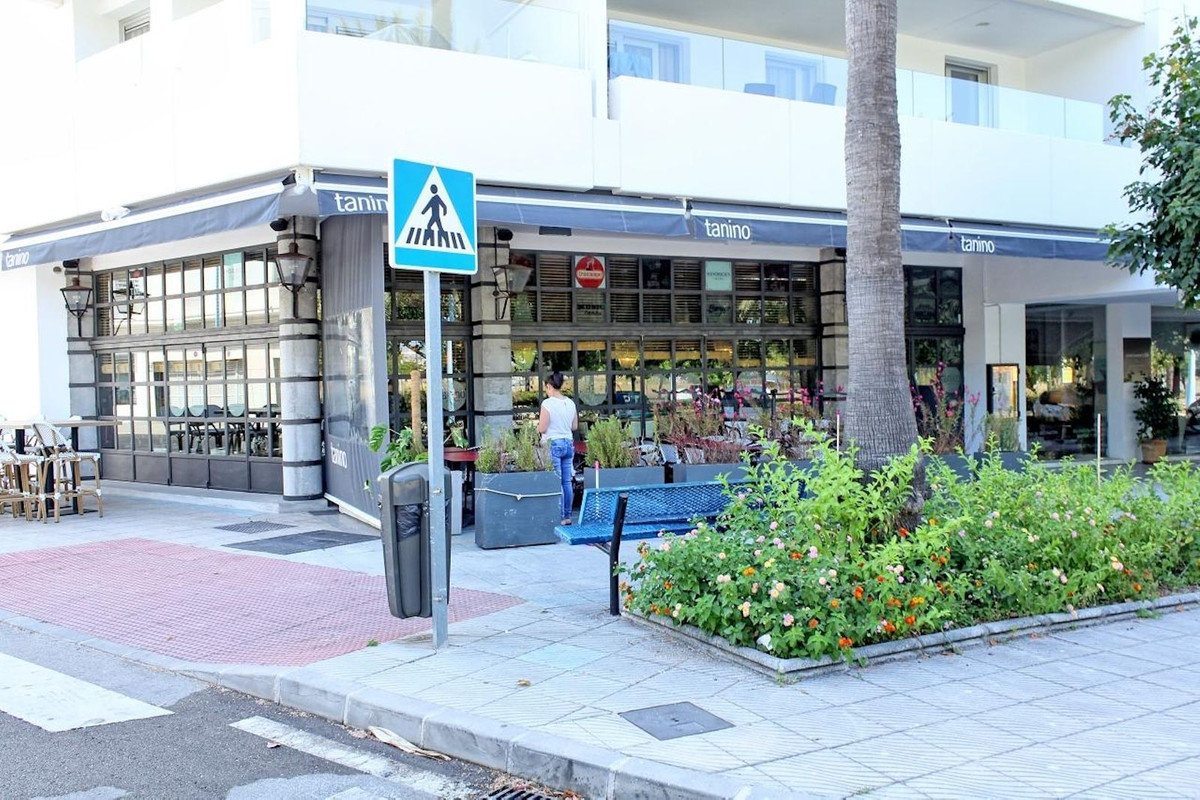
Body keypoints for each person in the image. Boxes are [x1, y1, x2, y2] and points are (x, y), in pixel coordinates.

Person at [538, 371, 578, 526]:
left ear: (549, 386)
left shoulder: (547, 404)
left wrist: (536, 428)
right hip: (568, 442)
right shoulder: (570, 403)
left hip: (553, 443)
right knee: (566, 482)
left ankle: (559, 516)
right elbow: (574, 426)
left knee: (556, 480)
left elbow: (542, 428)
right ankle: (567, 516)